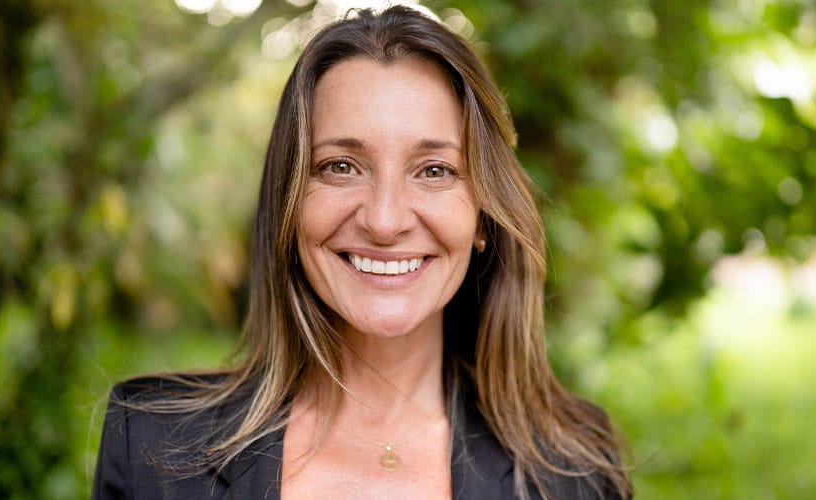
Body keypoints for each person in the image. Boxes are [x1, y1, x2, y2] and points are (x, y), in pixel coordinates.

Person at [92, 5, 631, 499]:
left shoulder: (576, 472)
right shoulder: (150, 448)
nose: (385, 220)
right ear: (288, 205)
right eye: (340, 167)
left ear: (484, 218)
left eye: (435, 171)